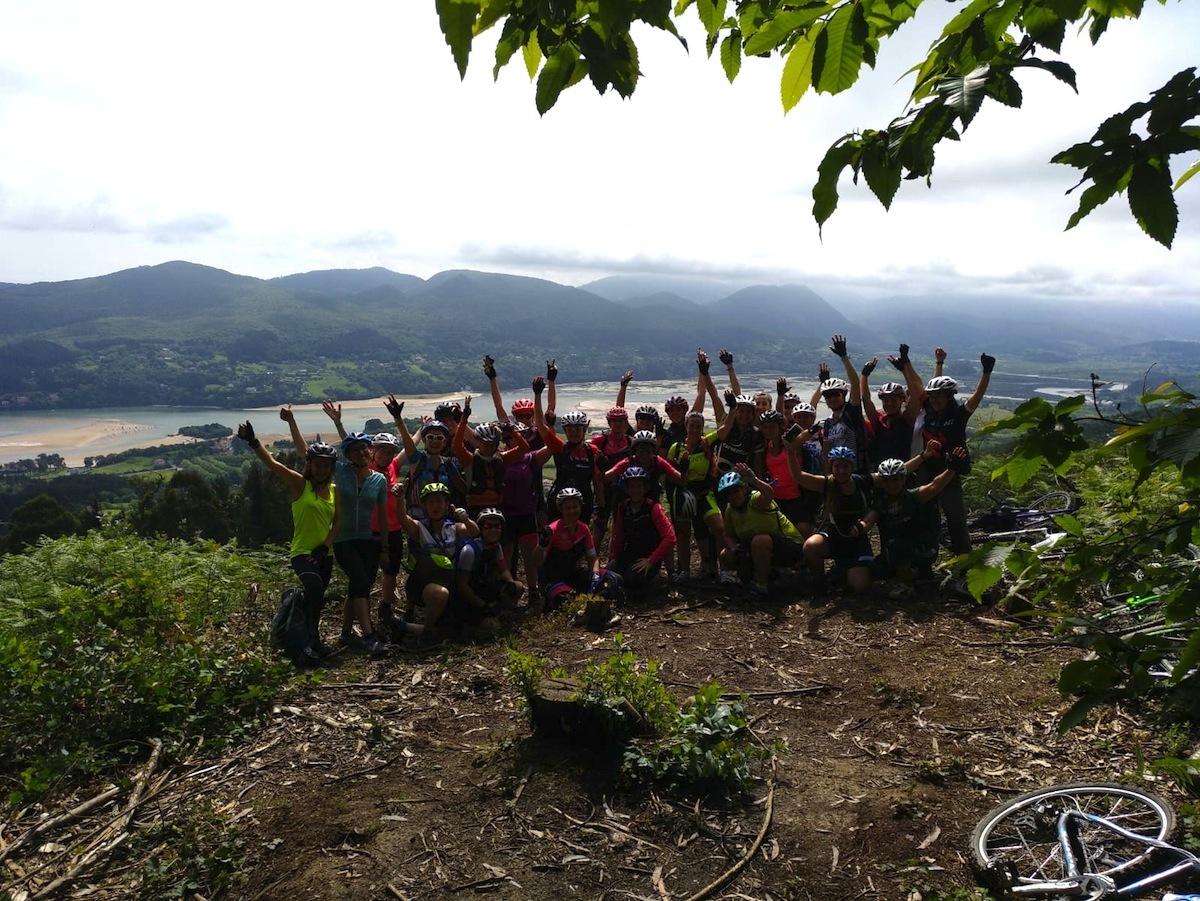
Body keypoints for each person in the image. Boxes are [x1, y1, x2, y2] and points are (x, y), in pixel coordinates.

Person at [286, 409, 391, 655]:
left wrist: (385, 547)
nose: (362, 453)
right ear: (348, 455)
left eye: (365, 449)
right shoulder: (340, 472)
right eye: (355, 450)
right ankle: (369, 637)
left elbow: (383, 517)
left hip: (368, 540)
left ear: (371, 451)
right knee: (361, 582)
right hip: (343, 541)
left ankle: (345, 633)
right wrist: (292, 422)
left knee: (358, 586)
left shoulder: (379, 480)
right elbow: (306, 453)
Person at [237, 420, 341, 665]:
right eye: (317, 465)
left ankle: (309, 638)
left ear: (331, 468)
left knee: (317, 599)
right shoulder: (300, 484)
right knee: (314, 587)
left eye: (326, 466)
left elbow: (338, 522)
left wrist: (326, 545)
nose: (321, 470)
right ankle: (305, 638)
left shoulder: (334, 491)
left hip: (324, 554)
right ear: (310, 465)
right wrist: (253, 441)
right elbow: (274, 465)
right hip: (302, 552)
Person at [913, 353, 995, 553]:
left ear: (949, 397)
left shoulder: (958, 415)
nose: (934, 400)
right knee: (922, 514)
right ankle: (925, 554)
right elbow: (925, 384)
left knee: (955, 518)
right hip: (927, 469)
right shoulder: (929, 411)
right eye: (932, 396)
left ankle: (964, 558)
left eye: (939, 396)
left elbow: (977, 396)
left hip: (950, 472)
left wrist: (986, 372)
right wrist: (934, 363)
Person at [861, 450, 967, 599]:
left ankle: (906, 586)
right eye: (887, 481)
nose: (891, 484)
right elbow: (867, 521)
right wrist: (857, 528)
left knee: (896, 545)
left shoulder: (914, 496)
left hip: (923, 548)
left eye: (895, 480)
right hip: (896, 552)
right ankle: (916, 575)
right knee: (874, 568)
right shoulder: (881, 503)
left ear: (903, 479)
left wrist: (951, 469)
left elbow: (934, 486)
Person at [396, 481, 479, 644]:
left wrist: (465, 519)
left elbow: (474, 531)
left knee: (455, 630)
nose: (435, 506)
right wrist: (400, 499)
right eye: (431, 502)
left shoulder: (453, 528)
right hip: (424, 585)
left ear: (447, 505)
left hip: (449, 583)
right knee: (441, 594)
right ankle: (426, 635)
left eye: (440, 501)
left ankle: (405, 627)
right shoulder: (419, 528)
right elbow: (402, 518)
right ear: (425, 506)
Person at [717, 463, 805, 597]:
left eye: (736, 491)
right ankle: (746, 580)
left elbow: (769, 493)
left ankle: (761, 586)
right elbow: (729, 535)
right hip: (759, 548)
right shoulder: (730, 509)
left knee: (760, 541)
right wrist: (734, 547)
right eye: (729, 494)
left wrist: (754, 480)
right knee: (725, 554)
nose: (733, 496)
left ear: (744, 490)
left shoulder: (755, 500)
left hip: (788, 544)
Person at [666, 411, 731, 583]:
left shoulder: (706, 443)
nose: (694, 429)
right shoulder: (676, 448)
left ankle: (724, 571)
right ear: (686, 426)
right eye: (691, 426)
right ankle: (685, 571)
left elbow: (725, 428)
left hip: (704, 494)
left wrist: (732, 408)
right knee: (683, 534)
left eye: (698, 426)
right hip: (684, 494)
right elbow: (670, 475)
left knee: (719, 528)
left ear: (702, 428)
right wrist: (682, 472)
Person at [452, 395, 530, 516]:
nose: (490, 447)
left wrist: (510, 430)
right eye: (486, 444)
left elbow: (524, 448)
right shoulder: (470, 460)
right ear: (479, 443)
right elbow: (457, 446)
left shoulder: (502, 458)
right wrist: (464, 418)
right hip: (475, 510)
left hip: (498, 508)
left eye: (493, 444)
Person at [607, 466, 676, 600]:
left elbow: (670, 537)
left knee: (632, 580)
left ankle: (653, 583)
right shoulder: (622, 508)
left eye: (639, 486)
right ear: (627, 489)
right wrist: (614, 558)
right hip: (629, 554)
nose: (635, 490)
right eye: (632, 487)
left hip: (648, 556)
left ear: (645, 488)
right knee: (609, 575)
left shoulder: (654, 508)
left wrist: (651, 561)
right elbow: (618, 536)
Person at [453, 507, 523, 639]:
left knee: (518, 587)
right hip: (467, 596)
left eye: (497, 526)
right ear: (481, 529)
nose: (493, 530)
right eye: (488, 526)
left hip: (484, 588)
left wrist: (510, 584)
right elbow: (462, 586)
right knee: (491, 628)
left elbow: (503, 570)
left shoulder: (496, 547)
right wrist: (483, 606)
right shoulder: (469, 551)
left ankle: (495, 613)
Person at [533, 486, 602, 611]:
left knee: (611, 581)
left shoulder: (583, 528)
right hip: (552, 579)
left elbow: (592, 557)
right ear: (561, 509)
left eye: (575, 507)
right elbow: (537, 562)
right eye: (568, 508)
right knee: (568, 599)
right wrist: (541, 545)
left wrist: (596, 575)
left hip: (573, 575)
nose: (572, 511)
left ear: (580, 507)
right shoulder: (552, 530)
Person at [810, 335, 869, 472]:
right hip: (837, 473)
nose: (832, 399)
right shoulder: (828, 423)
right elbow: (826, 451)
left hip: (857, 471)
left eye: (836, 394)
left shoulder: (851, 411)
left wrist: (844, 357)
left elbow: (855, 383)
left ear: (843, 394)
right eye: (827, 396)